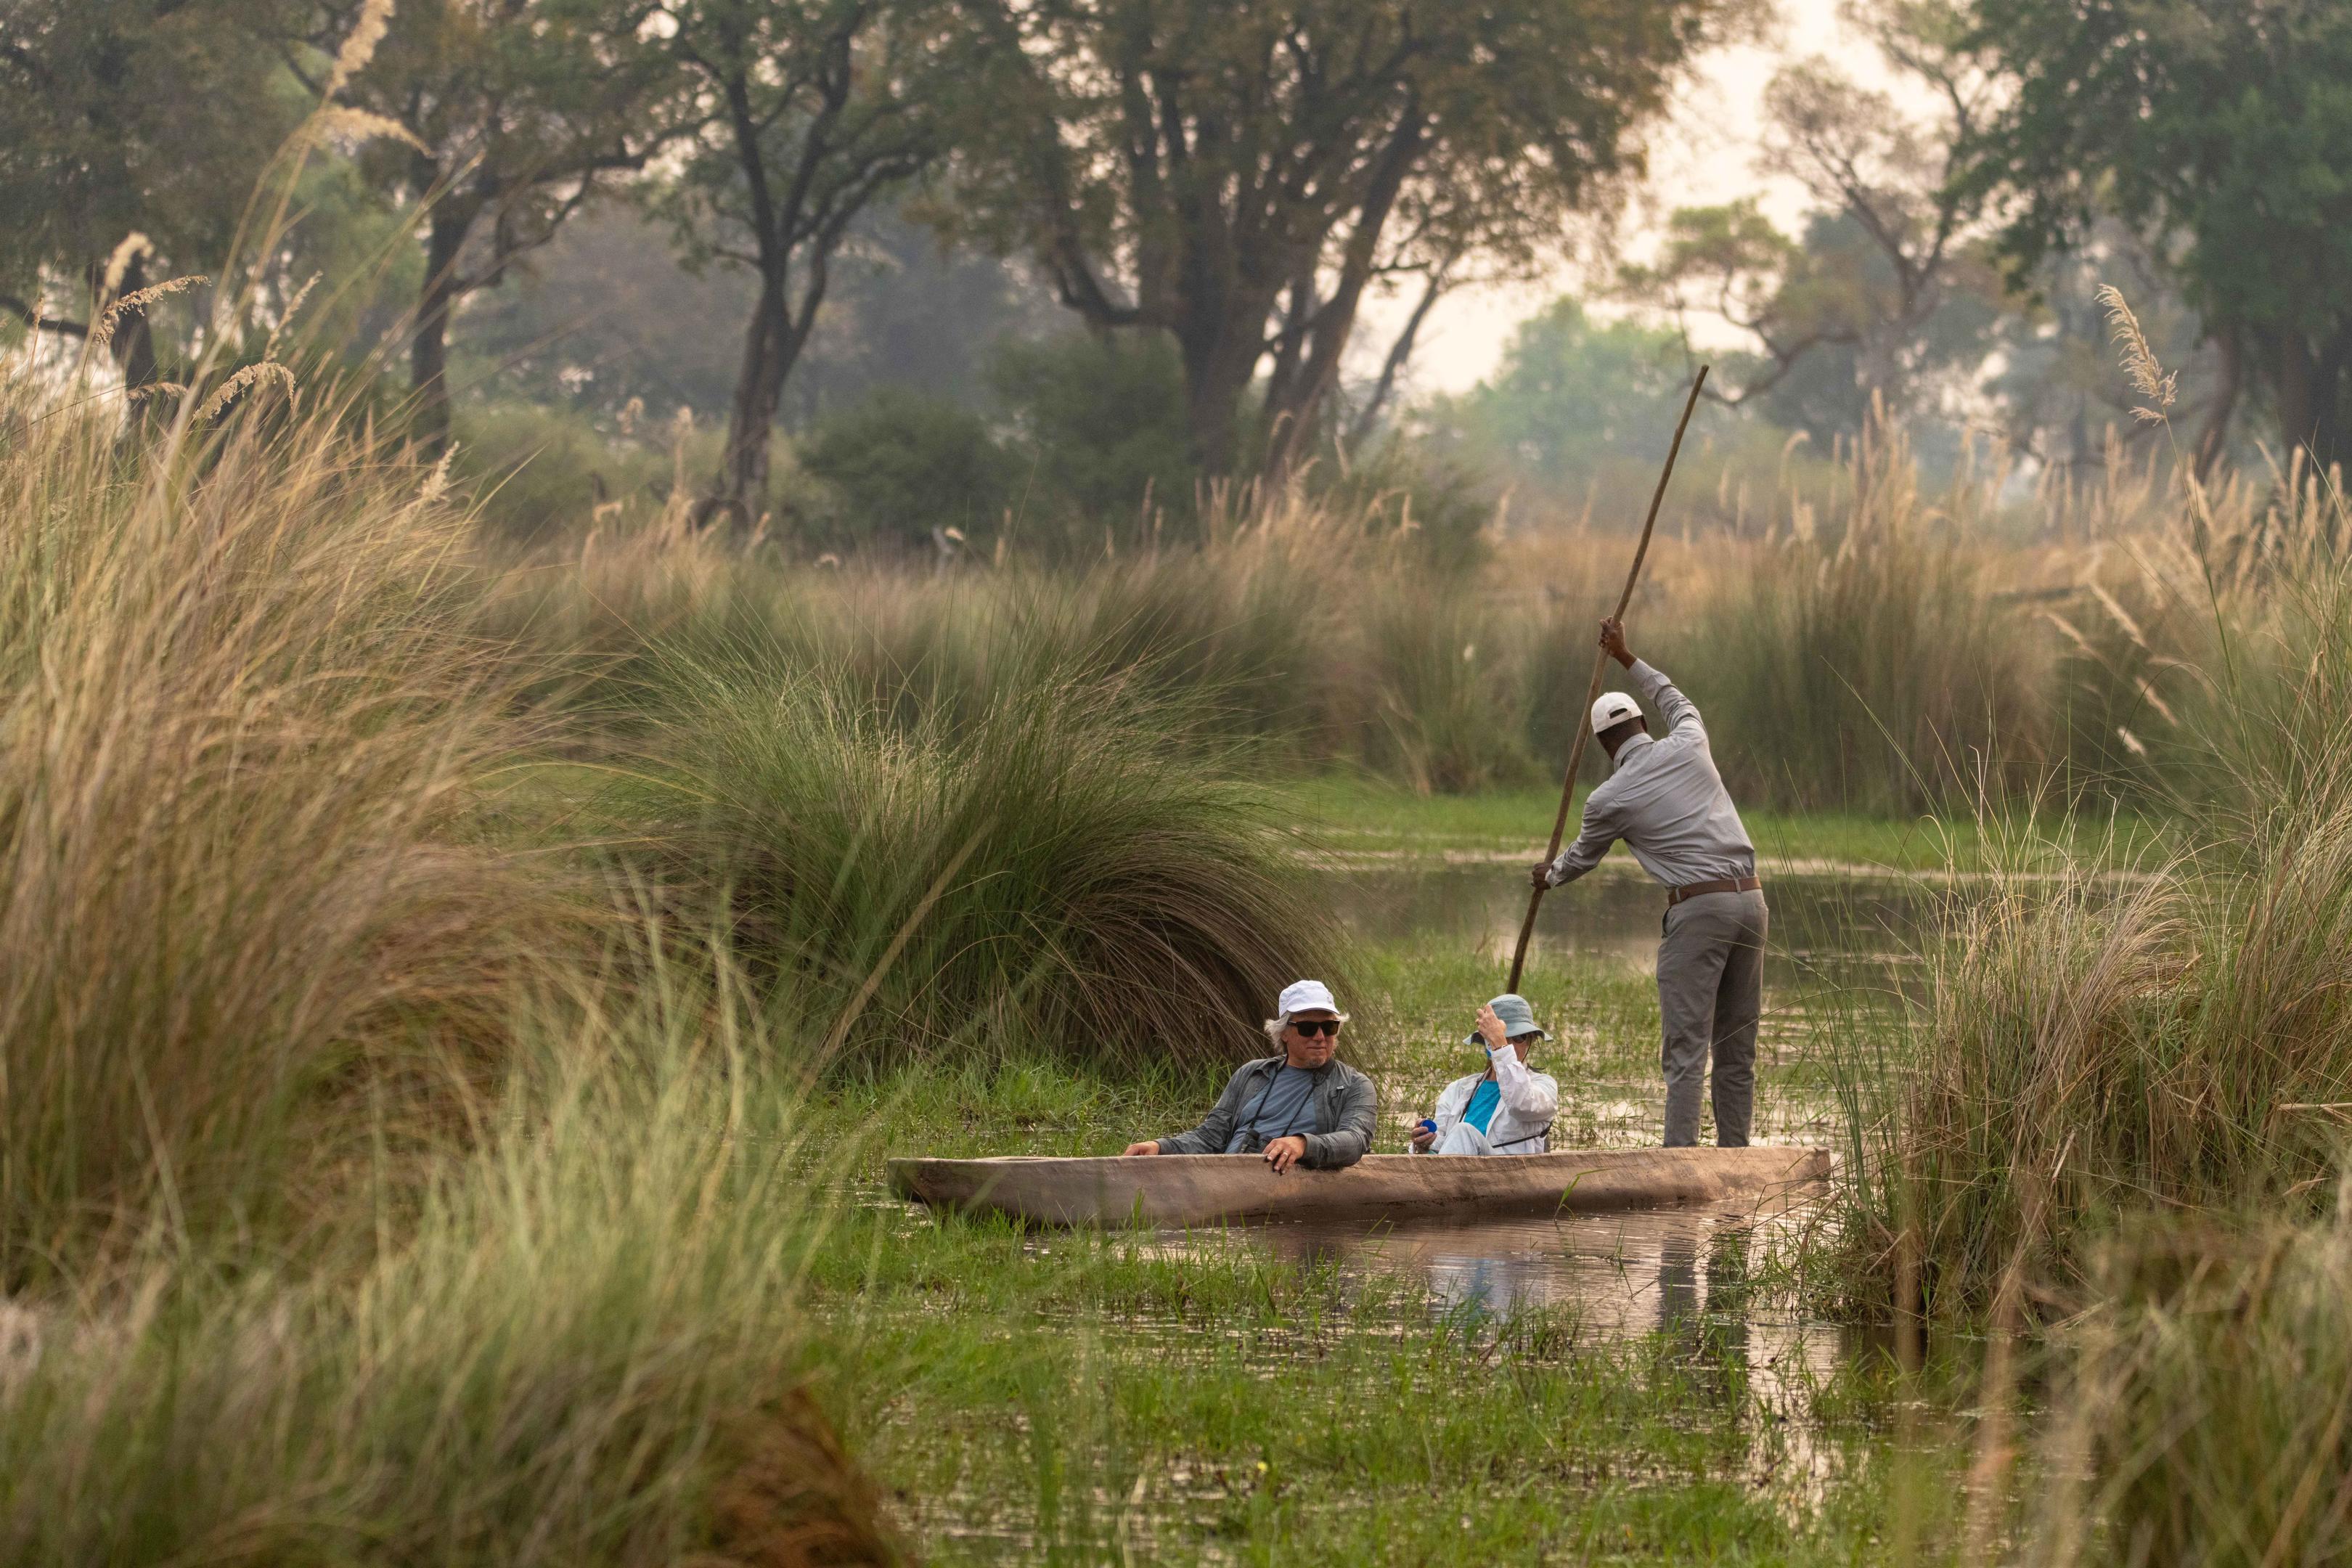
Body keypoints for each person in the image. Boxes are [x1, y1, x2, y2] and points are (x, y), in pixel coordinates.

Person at [1530, 616, 1767, 1148]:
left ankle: (1680, 1165)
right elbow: (1672, 696)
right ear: (1641, 725)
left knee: (1686, 1054)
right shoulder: (1690, 738)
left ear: (1603, 746)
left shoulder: (1609, 799)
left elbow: (1581, 859)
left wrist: (1550, 876)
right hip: (1752, 902)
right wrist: (1626, 656)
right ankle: (1736, 1157)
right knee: (1736, 1048)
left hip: (1700, 912)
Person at [1122, 979, 1376, 1172]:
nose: (1320, 1037)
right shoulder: (1251, 1073)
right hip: (1228, 1177)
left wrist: (1303, 1144)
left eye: (1329, 1027)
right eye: (1309, 1028)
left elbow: (1355, 1141)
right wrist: (1161, 1147)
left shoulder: (1354, 1085)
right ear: (1284, 1033)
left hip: (1287, 1184)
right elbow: (1211, 1136)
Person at [1410, 995, 1559, 1156]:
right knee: (1460, 1134)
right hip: (1455, 1173)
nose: (1510, 1045)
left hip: (1507, 1176)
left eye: (1518, 1038)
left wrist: (1500, 1044)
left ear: (1529, 1041)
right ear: (1486, 1043)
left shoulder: (1544, 1086)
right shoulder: (1458, 1089)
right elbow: (1444, 1145)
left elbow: (1520, 1104)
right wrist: (1425, 1142)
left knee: (1464, 1131)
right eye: (1499, 1038)